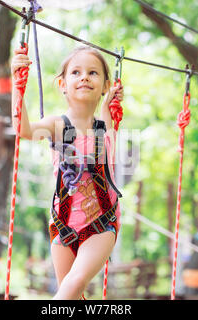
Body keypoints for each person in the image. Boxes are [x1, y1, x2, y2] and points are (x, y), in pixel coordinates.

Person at [11, 45, 124, 300]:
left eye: (93, 73)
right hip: (63, 225)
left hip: (102, 223)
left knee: (72, 285)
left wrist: (112, 101)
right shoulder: (57, 125)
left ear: (105, 85)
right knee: (71, 296)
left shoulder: (105, 125)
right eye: (76, 72)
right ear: (63, 84)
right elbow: (24, 130)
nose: (84, 77)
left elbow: (110, 116)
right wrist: (17, 83)